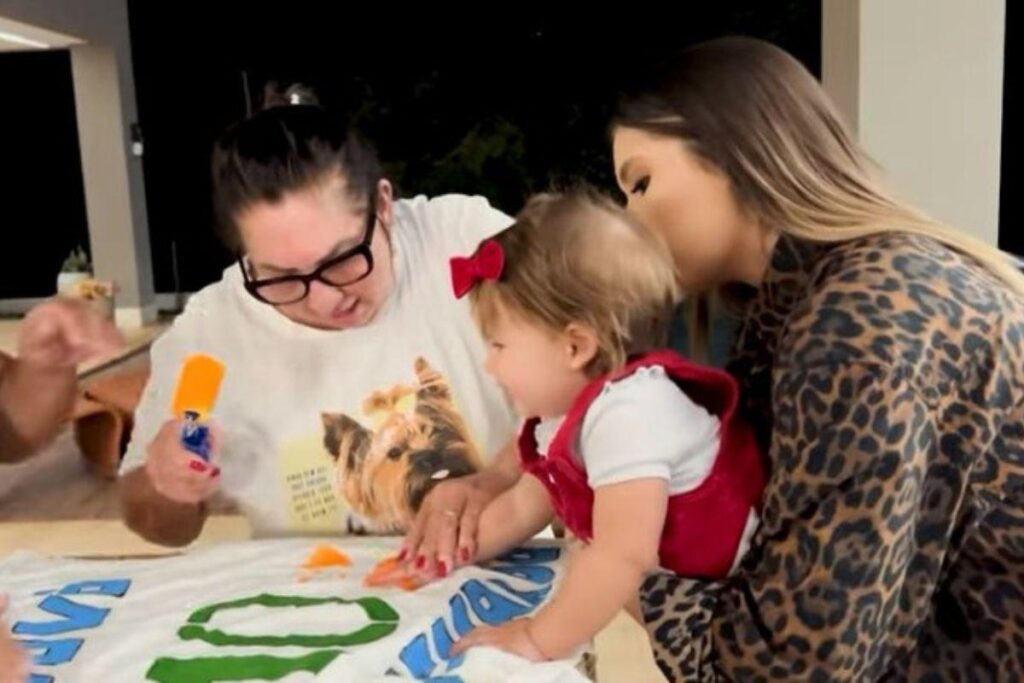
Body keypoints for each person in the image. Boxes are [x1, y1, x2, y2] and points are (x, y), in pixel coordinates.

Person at [611, 36, 1024, 681]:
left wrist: (617, 569)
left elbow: (792, 668)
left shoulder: (860, 325)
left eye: (640, 182)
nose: (628, 218)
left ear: (737, 151)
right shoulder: (827, 299)